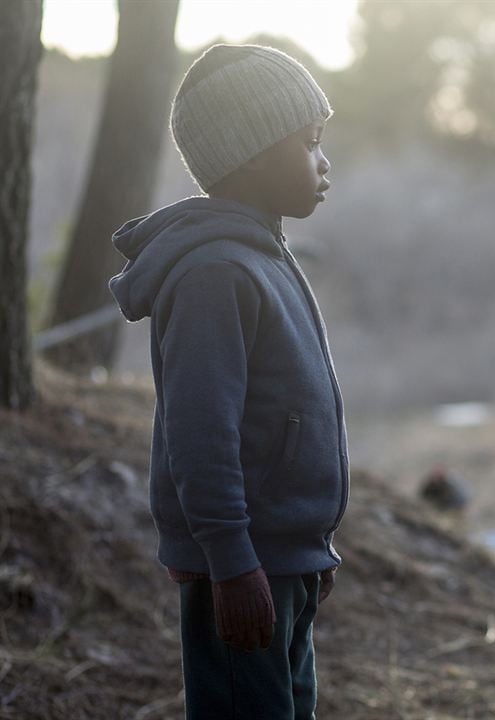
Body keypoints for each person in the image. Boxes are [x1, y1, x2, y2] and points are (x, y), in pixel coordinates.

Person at [108, 44, 346, 719]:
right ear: (253, 156)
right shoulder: (215, 272)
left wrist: (307, 545)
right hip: (243, 564)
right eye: (308, 143)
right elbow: (199, 430)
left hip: (281, 557)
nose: (324, 161)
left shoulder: (263, 257)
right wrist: (232, 560)